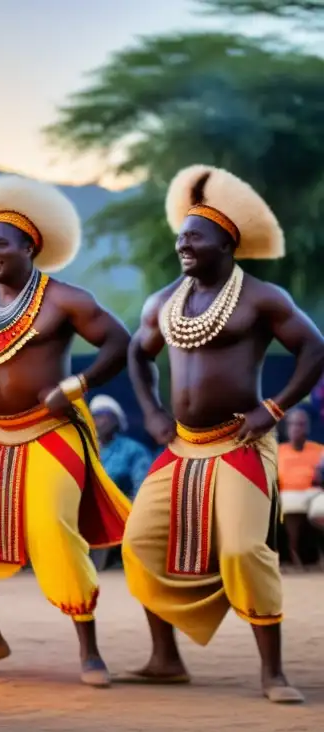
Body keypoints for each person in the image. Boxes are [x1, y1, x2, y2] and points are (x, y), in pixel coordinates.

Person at [122, 164, 324, 704]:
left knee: (241, 549)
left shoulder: (263, 298)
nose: (182, 245)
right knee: (139, 543)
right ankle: (165, 659)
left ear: (225, 242)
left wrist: (274, 409)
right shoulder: (163, 302)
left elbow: (315, 347)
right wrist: (152, 413)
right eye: (180, 236)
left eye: (194, 237)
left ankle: (273, 672)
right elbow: (136, 355)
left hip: (239, 443)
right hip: (181, 444)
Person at [0, 174, 132, 687]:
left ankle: (88, 650)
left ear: (29, 246)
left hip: (52, 431)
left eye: (1, 243)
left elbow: (119, 341)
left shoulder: (65, 299)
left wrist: (78, 383)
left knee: (52, 530)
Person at [276, 407, 324, 570]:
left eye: (301, 424)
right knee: (288, 503)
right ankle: (293, 555)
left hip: (313, 494)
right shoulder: (278, 452)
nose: (297, 428)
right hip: (286, 494)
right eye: (293, 424)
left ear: (308, 428)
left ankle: (319, 556)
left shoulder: (319, 450)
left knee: (322, 508)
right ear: (287, 428)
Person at [90, 394, 152, 500]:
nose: (100, 420)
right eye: (95, 415)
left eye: (105, 414)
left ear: (117, 420)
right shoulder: (85, 451)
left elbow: (143, 491)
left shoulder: (133, 450)